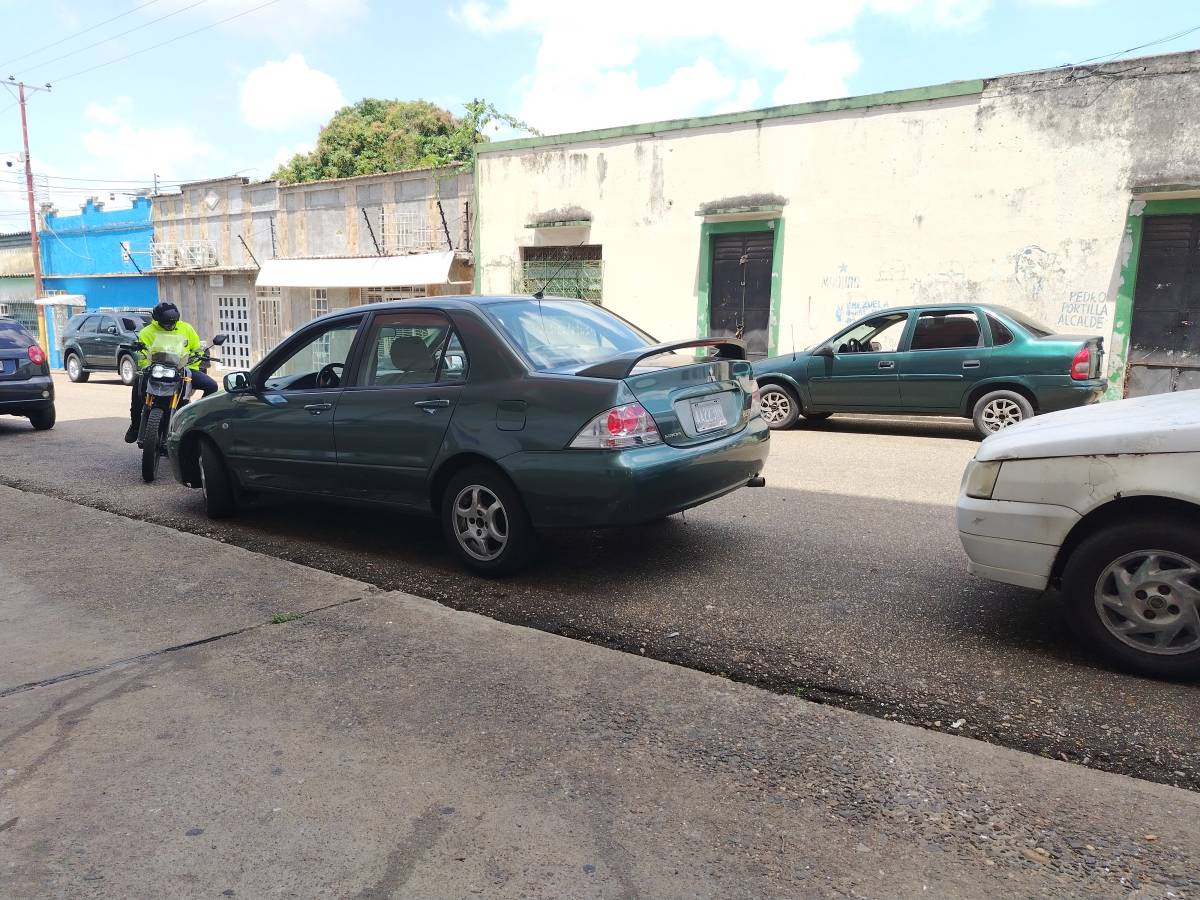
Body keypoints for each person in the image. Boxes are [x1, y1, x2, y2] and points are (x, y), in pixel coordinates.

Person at [124, 301, 218, 443]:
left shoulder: (186, 328)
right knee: (138, 383)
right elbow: (143, 357)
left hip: (183, 369)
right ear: (157, 320)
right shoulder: (147, 332)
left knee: (212, 386)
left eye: (173, 323)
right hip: (156, 370)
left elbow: (196, 348)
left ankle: (197, 416)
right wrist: (143, 358)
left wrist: (199, 355)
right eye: (166, 323)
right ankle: (135, 425)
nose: (170, 325)